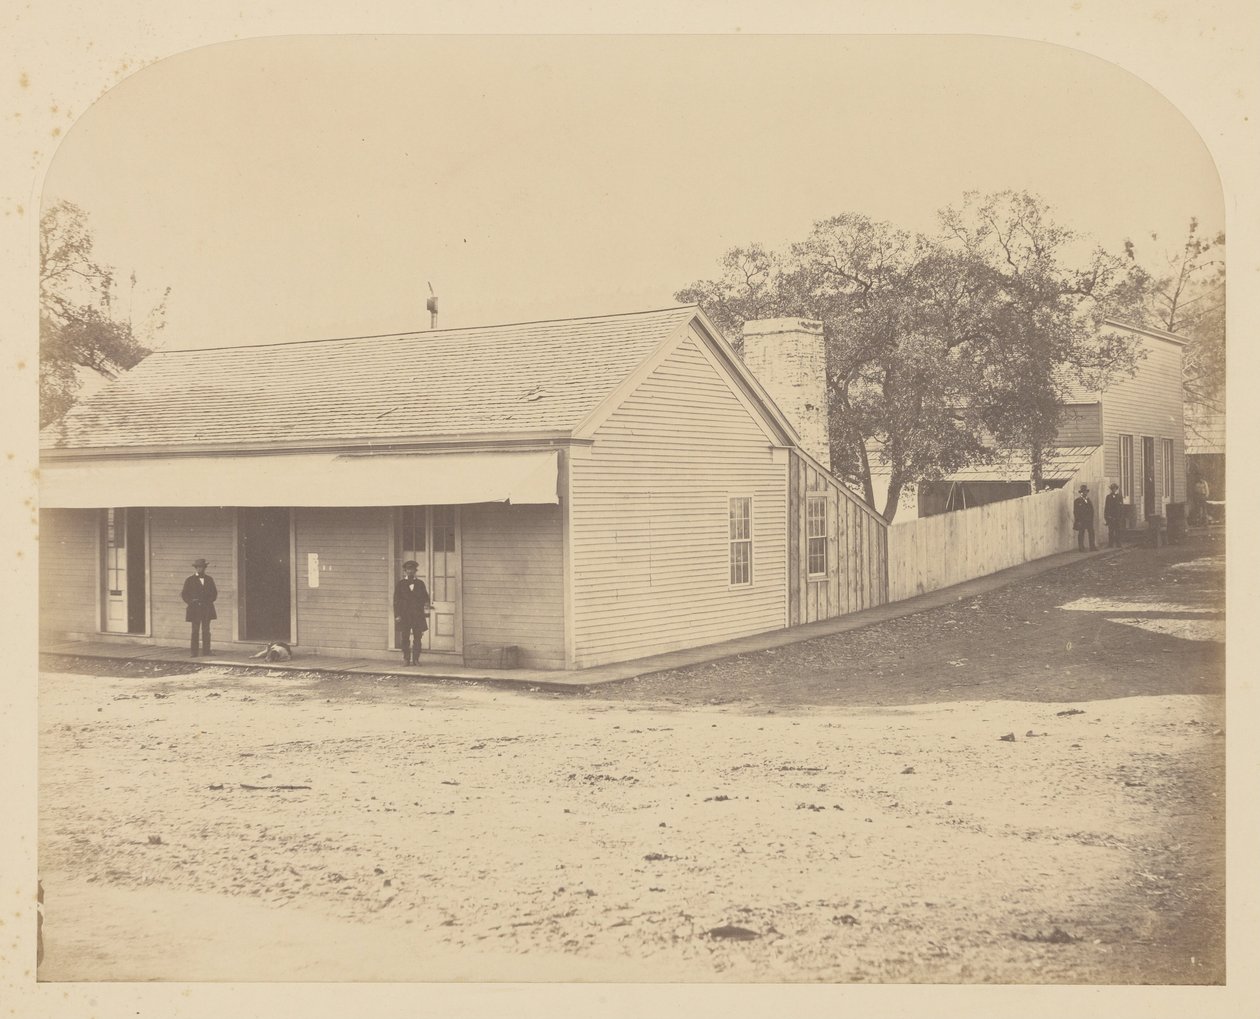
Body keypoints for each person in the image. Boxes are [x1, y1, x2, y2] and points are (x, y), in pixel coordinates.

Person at [393, 559, 431, 666]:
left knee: (417, 638)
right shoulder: (400, 584)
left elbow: (426, 599)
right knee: (405, 638)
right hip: (404, 616)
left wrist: (426, 611)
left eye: (412, 569)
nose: (410, 571)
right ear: (405, 571)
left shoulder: (420, 584)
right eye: (408, 569)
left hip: (417, 616)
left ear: (415, 571)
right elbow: (396, 601)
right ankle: (406, 659)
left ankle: (416, 659)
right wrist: (397, 615)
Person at [181, 557, 218, 657]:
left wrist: (207, 601)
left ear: (205, 568)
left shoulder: (209, 579)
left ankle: (207, 651)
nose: (200, 569)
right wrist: (191, 602)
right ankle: (194, 652)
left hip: (207, 608)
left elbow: (214, 593)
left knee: (206, 630)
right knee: (195, 631)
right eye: (198, 567)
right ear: (195, 568)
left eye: (202, 567)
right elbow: (184, 594)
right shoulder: (189, 580)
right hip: (195, 609)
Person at [1073, 484, 1097, 552]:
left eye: (1085, 491)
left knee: (1091, 532)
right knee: (1081, 533)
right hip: (1081, 520)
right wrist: (1078, 521)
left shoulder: (1088, 500)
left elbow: (1091, 510)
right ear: (1081, 493)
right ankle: (1081, 548)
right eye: (1083, 492)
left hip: (1089, 520)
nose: (1084, 493)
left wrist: (1091, 519)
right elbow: (1076, 512)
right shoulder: (1077, 501)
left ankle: (1092, 547)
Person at [1104, 482, 1125, 548]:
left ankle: (1118, 543)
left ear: (1116, 489)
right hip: (1111, 517)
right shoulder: (1108, 497)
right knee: (1111, 531)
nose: (1113, 490)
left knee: (1118, 531)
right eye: (1112, 489)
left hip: (1118, 517)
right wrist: (1107, 517)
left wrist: (1121, 516)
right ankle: (1110, 544)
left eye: (1115, 488)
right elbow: (1106, 507)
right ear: (1111, 489)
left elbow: (1121, 507)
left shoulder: (1119, 497)